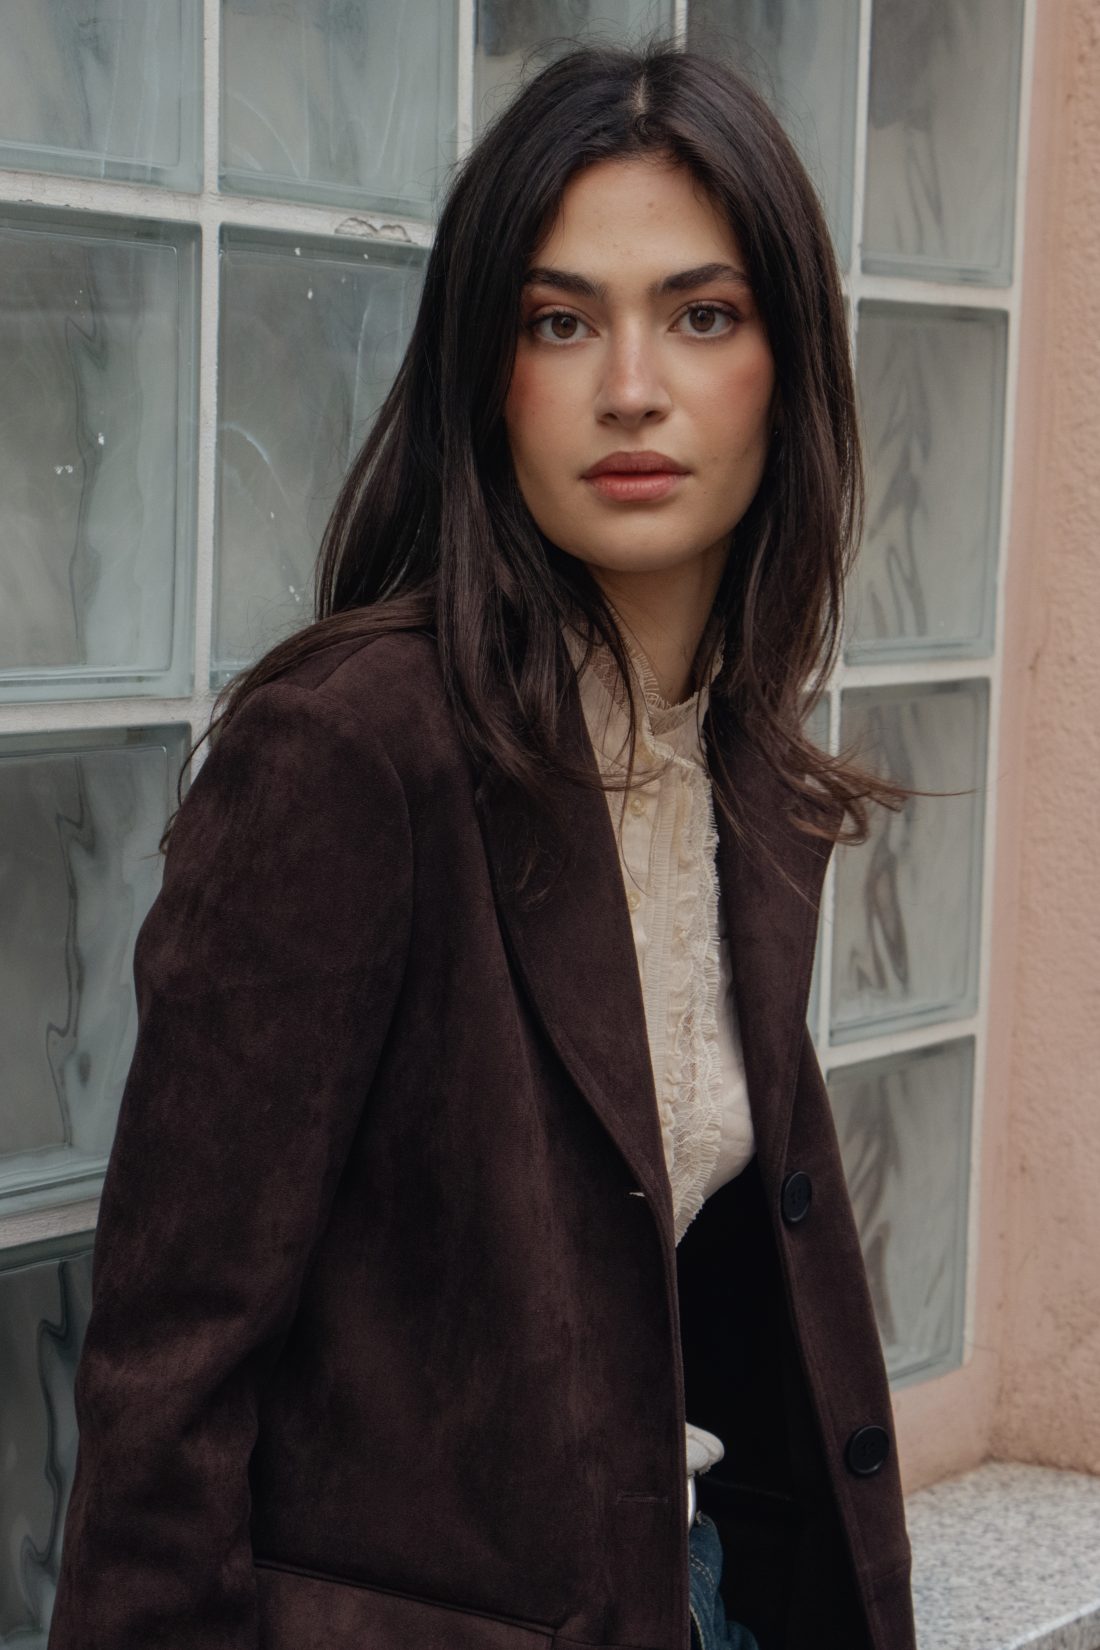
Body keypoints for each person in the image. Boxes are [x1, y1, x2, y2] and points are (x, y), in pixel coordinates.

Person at [48, 39, 918, 1650]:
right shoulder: (350, 751)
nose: (632, 385)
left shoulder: (739, 775)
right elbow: (171, 1369)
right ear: (486, 372)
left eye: (702, 314)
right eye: (561, 318)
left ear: (787, 365)